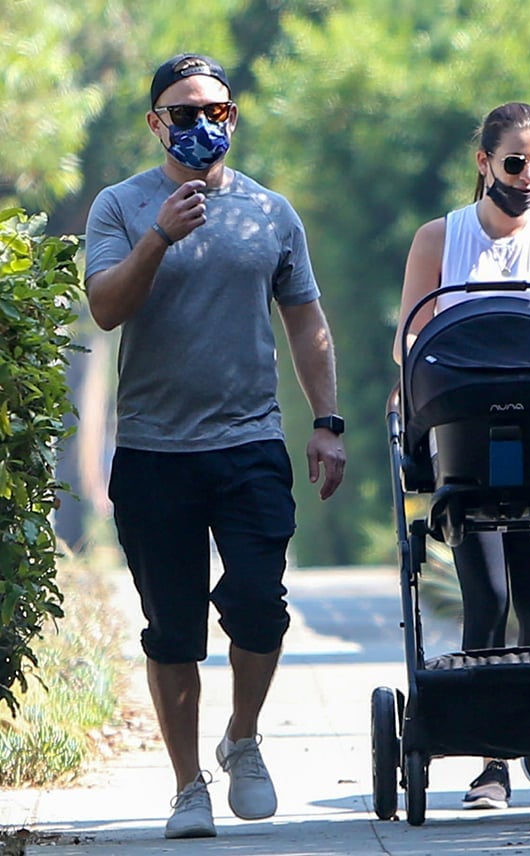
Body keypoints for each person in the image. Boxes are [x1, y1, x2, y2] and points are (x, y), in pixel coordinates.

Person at [84, 53, 346, 839]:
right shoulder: (121, 206)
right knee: (171, 629)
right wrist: (158, 238)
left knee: (261, 605)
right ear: (156, 122)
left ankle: (244, 738)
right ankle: (186, 785)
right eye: (186, 112)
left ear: (234, 119)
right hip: (155, 451)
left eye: (218, 113)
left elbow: (305, 321)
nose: (204, 126)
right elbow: (104, 308)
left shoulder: (271, 213)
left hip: (249, 440)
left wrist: (327, 424)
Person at [393, 102, 530, 811]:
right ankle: (490, 763)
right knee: (488, 598)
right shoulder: (438, 239)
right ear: (484, 163)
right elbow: (408, 340)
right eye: (515, 163)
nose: (529, 177)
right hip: (467, 435)